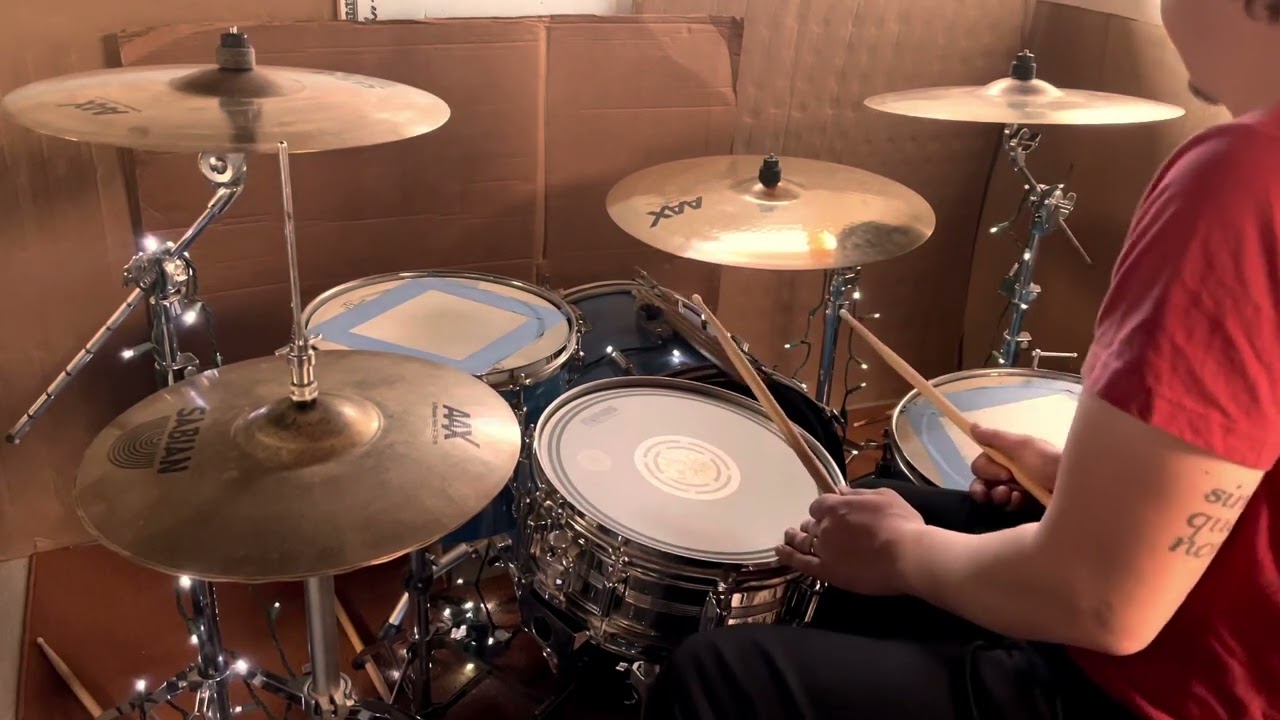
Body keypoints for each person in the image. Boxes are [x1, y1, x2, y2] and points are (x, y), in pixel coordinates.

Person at [642, 1, 1280, 718]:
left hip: (1164, 690)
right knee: (873, 506)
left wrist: (906, 557)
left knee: (713, 676)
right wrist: (1088, 488)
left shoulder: (1244, 178)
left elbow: (1104, 606)